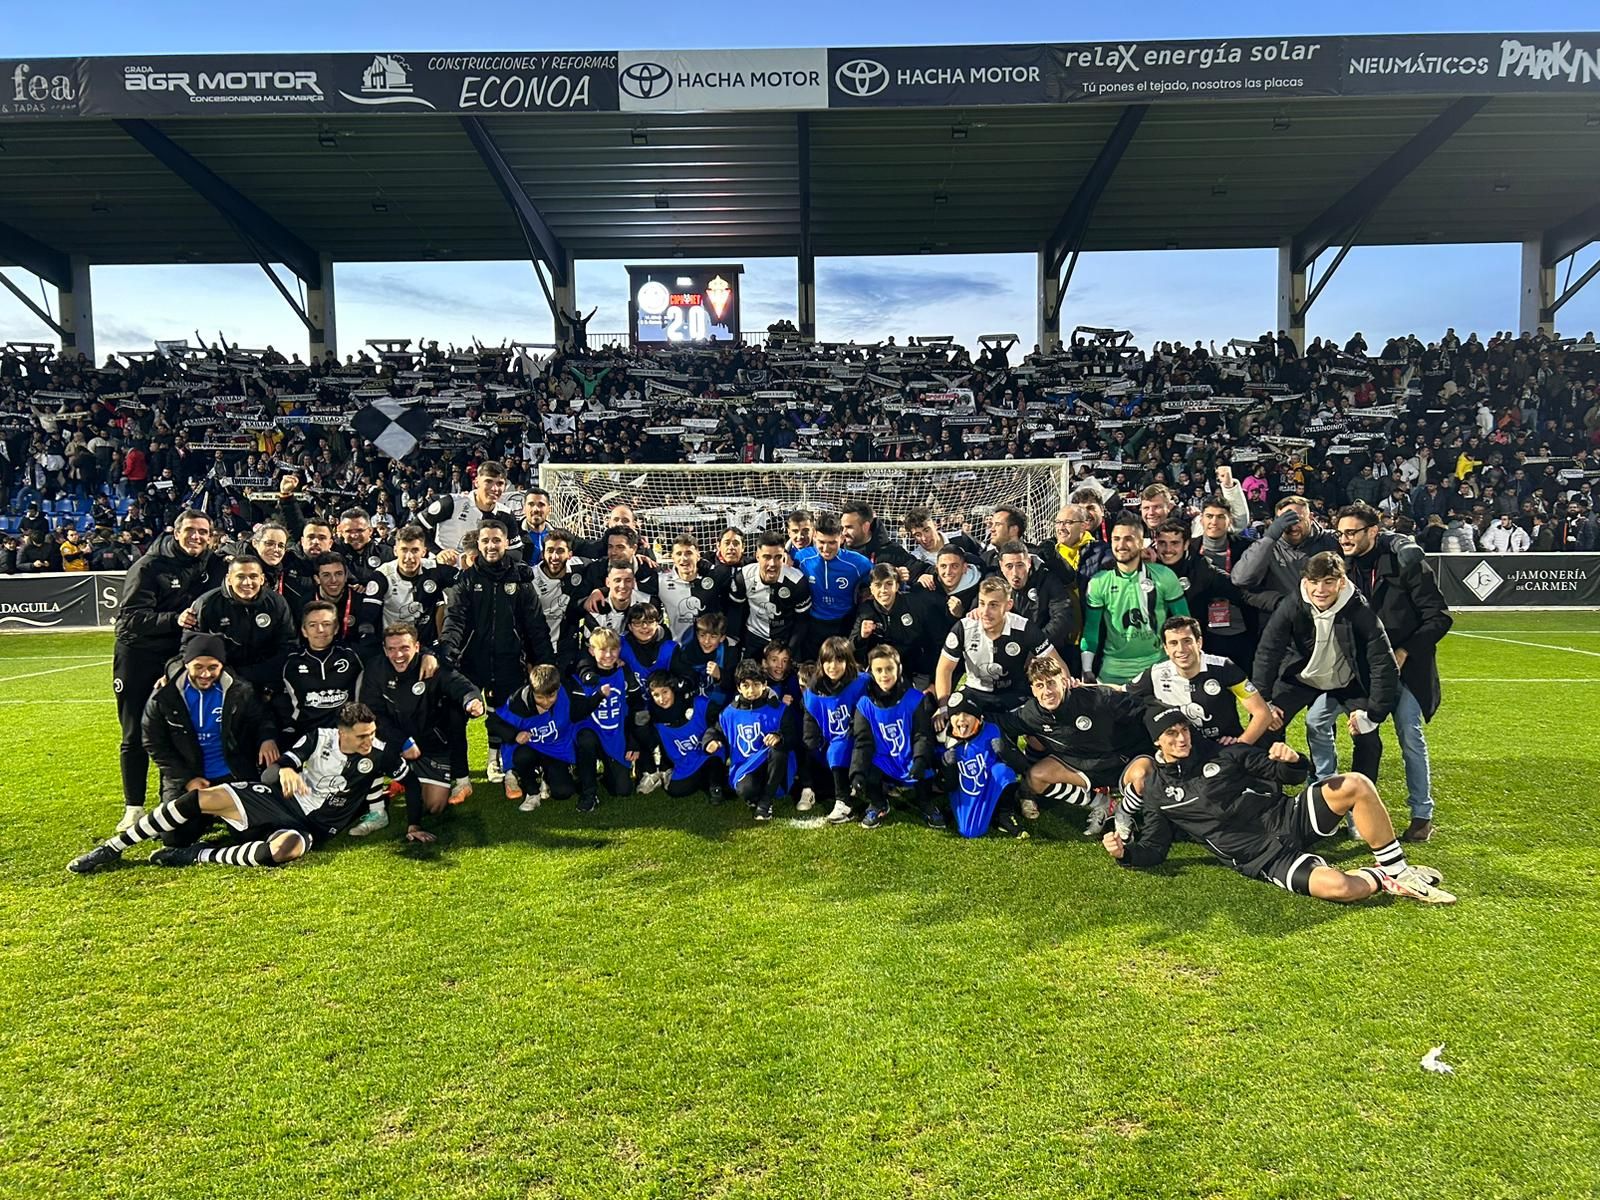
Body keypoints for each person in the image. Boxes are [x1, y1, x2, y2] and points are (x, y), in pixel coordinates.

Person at [1106, 707, 1455, 904]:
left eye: (1184, 730)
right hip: (1263, 857)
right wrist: (1126, 854)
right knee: (1342, 889)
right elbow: (1154, 846)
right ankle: (1383, 878)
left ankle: (1399, 870)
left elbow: (1286, 774)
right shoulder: (1156, 791)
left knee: (1356, 784)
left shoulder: (1224, 752)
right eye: (1171, 734)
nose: (1181, 738)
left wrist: (1291, 760)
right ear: (1156, 741)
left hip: (1289, 816)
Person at [69, 702, 405, 874]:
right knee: (201, 798)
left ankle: (198, 854)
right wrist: (286, 769)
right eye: (361, 735)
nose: (367, 740)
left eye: (370, 734)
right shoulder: (321, 737)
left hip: (307, 827)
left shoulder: (378, 754)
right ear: (342, 731)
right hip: (278, 802)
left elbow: (407, 777)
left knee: (286, 850)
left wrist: (406, 818)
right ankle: (113, 848)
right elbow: (288, 758)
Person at [1326, 503, 1452, 842]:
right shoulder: (1343, 568)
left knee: (1410, 736)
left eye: (1351, 532)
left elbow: (1440, 617)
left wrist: (1405, 650)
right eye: (1340, 533)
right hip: (1363, 673)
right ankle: (1349, 815)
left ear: (1373, 532)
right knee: (1356, 735)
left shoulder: (1407, 563)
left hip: (1409, 671)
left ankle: (1421, 816)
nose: (1344, 539)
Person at [111, 508, 223, 830]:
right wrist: (173, 619)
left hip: (177, 658)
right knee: (134, 731)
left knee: (178, 730)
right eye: (190, 530)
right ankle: (133, 807)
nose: (197, 537)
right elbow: (128, 620)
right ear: (176, 532)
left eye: (203, 532)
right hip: (138, 655)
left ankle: (170, 801)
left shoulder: (211, 564)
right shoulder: (148, 566)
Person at [1252, 552, 1399, 782]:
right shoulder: (1293, 604)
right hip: (1301, 678)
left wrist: (1373, 715)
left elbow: (1383, 664)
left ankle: (1360, 803)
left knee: (1367, 736)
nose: (1320, 590)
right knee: (1264, 724)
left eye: (1328, 582)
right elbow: (1268, 651)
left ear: (1341, 582)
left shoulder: (1359, 610)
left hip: (1348, 683)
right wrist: (1265, 702)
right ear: (1305, 581)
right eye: (1314, 582)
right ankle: (1268, 791)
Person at [437, 519, 555, 786]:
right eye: (486, 540)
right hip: (470, 662)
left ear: (505, 543)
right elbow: (454, 620)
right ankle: (461, 778)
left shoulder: (520, 579)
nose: (491, 545)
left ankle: (505, 768)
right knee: (455, 717)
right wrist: (447, 652)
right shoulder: (465, 580)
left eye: (496, 540)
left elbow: (534, 624)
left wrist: (546, 662)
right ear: (478, 544)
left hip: (509, 661)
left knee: (506, 717)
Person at [355, 624, 485, 841]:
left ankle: (408, 777)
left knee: (434, 806)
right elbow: (372, 712)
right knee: (364, 742)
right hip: (394, 739)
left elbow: (463, 686)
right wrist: (402, 741)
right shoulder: (376, 669)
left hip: (429, 743)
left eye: (404, 648)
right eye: (392, 649)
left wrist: (472, 701)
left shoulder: (432, 667)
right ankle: (376, 808)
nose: (398, 655)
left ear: (416, 647)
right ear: (385, 650)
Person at [998, 654, 1149, 830]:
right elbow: (998, 722)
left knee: (1143, 777)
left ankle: (1124, 814)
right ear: (1033, 690)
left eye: (1051, 683)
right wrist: (964, 713)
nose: (1047, 691)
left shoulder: (1092, 697)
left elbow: (1139, 708)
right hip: (1081, 767)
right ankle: (1103, 803)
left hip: (1120, 761)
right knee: (1036, 777)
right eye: (1040, 685)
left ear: (1063, 682)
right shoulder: (1031, 714)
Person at [141, 635, 278, 823]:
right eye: (198, 667)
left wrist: (267, 738)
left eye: (213, 667)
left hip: (231, 774)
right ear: (187, 664)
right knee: (176, 836)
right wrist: (187, 780)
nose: (205, 674)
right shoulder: (164, 695)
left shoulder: (240, 691)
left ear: (222, 665)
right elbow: (153, 741)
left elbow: (262, 718)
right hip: (187, 776)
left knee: (252, 830)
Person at [488, 663, 615, 813]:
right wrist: (514, 735)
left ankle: (549, 776)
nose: (546, 702)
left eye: (551, 696)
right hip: (532, 748)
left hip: (556, 750)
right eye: (540, 697)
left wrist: (599, 695)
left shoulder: (566, 691)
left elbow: (579, 712)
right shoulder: (518, 701)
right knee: (521, 756)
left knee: (563, 792)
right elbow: (492, 722)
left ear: (558, 688)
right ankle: (532, 793)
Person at [1125, 616, 1272, 744]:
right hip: (1181, 751)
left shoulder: (1224, 667)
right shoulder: (1155, 674)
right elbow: (1120, 691)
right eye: (1173, 643)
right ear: (1166, 648)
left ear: (1199, 642)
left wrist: (1240, 743)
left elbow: (1262, 713)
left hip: (1221, 746)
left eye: (1187, 641)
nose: (1181, 649)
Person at [1079, 513, 1189, 685]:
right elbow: (1091, 629)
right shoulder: (1099, 582)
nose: (1121, 545)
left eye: (1128, 539)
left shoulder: (1164, 576)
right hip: (1113, 670)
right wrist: (1086, 669)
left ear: (1140, 542)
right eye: (1116, 539)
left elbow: (1185, 623)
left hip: (1157, 667)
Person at [934, 575, 1056, 717]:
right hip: (974, 692)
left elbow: (1055, 661)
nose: (985, 612)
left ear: (1008, 605)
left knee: (1038, 725)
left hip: (1014, 693)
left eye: (993, 605)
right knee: (949, 727)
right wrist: (943, 708)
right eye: (982, 603)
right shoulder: (964, 627)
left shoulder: (1024, 627)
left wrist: (1066, 683)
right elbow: (945, 668)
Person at [850, 644, 939, 830]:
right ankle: (878, 804)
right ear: (871, 672)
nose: (884, 675)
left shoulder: (915, 698)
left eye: (889, 669)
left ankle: (926, 804)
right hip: (883, 761)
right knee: (866, 771)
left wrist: (920, 760)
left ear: (899, 669)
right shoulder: (864, 705)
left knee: (926, 769)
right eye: (879, 670)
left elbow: (922, 735)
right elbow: (862, 743)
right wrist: (857, 773)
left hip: (908, 758)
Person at [183, 554, 298, 695]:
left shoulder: (277, 603)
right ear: (229, 579)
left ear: (262, 579)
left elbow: (288, 645)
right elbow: (191, 650)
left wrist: (256, 676)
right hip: (221, 681)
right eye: (240, 576)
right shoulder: (206, 604)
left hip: (266, 680)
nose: (247, 582)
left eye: (253, 576)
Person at [1150, 518, 1255, 670]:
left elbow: (1240, 592)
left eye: (1175, 543)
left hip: (1190, 646)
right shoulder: (1147, 567)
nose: (1167, 550)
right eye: (1162, 543)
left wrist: (1275, 602)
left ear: (1186, 544)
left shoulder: (1201, 568)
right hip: (1154, 647)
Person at [705, 660, 797, 822]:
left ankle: (765, 802)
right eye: (745, 685)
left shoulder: (779, 709)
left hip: (775, 767)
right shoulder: (729, 713)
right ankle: (756, 796)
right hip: (745, 766)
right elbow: (715, 731)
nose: (751, 690)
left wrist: (779, 737)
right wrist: (711, 741)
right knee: (745, 791)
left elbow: (793, 737)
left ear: (765, 684)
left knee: (778, 750)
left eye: (756, 684)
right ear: (738, 687)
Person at [569, 627, 645, 811]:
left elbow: (638, 708)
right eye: (603, 650)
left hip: (615, 735)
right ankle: (588, 792)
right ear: (591, 651)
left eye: (614, 649)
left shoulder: (625, 673)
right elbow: (576, 714)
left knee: (623, 790)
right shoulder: (581, 677)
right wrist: (598, 697)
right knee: (585, 739)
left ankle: (606, 773)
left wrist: (633, 741)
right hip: (591, 733)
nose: (609, 655)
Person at [274, 600, 366, 746]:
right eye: (312, 625)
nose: (320, 630)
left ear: (336, 628)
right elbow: (280, 703)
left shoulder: (354, 657)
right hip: (307, 739)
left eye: (327, 624)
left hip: (348, 736)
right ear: (304, 631)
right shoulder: (290, 664)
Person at [802, 636, 871, 824]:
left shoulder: (862, 682)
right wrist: (812, 746)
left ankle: (844, 804)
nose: (833, 666)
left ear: (848, 661)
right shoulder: (814, 689)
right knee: (814, 754)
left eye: (839, 660)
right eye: (827, 661)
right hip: (829, 742)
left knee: (838, 748)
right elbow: (810, 723)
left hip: (861, 739)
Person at [941, 689, 1024, 838]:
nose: (961, 719)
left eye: (967, 713)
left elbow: (1021, 766)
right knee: (970, 831)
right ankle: (952, 809)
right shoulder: (944, 739)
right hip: (961, 789)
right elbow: (946, 785)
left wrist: (1006, 752)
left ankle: (1004, 814)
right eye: (955, 714)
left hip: (987, 785)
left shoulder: (992, 731)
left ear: (978, 717)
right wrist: (948, 768)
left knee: (1003, 772)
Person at [1230, 495, 1339, 606]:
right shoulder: (1266, 548)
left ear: (1311, 518)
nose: (1292, 527)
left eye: (1297, 520)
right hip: (1286, 619)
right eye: (1285, 521)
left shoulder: (1332, 540)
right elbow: (1241, 580)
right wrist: (1269, 538)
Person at [726, 531, 812, 663]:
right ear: (757, 556)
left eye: (778, 557)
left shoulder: (797, 581)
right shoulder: (743, 577)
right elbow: (735, 612)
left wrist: (789, 650)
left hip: (785, 639)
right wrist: (733, 643)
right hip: (754, 637)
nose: (772, 563)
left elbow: (802, 622)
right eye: (767, 557)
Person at [643, 670, 729, 802]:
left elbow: (722, 719)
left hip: (709, 754)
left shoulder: (697, 703)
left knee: (714, 766)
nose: (661, 699)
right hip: (686, 762)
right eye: (656, 695)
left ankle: (715, 783)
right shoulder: (655, 718)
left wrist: (714, 738)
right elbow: (650, 742)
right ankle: (710, 780)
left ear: (673, 689)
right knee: (675, 790)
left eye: (665, 692)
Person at [852, 562, 944, 684]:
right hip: (881, 670)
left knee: (922, 700)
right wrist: (861, 638)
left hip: (915, 670)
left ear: (897, 586)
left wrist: (932, 681)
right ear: (872, 589)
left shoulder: (913, 604)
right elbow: (852, 650)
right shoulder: (866, 611)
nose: (883, 590)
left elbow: (933, 642)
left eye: (889, 584)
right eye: (878, 585)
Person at [793, 515, 873, 655]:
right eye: (821, 542)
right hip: (813, 624)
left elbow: (880, 577)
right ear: (814, 537)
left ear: (841, 538)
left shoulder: (858, 563)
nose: (826, 548)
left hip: (844, 623)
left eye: (832, 543)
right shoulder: (802, 558)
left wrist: (898, 575)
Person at [417, 459, 522, 555]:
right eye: (488, 482)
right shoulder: (452, 503)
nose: (495, 488)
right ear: (476, 482)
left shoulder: (506, 513)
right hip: (445, 570)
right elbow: (416, 527)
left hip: (482, 572)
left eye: (500, 483)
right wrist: (438, 552)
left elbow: (516, 552)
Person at [372, 524, 455, 647]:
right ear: (395, 551)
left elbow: (466, 579)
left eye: (415, 550)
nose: (409, 557)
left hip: (427, 647)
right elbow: (369, 612)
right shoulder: (383, 574)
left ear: (423, 551)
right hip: (394, 647)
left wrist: (463, 559)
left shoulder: (434, 569)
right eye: (404, 550)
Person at [994, 539, 1079, 657]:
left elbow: (1062, 617)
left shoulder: (1047, 579)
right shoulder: (995, 584)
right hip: (1010, 650)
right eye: (1009, 566)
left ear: (1028, 562)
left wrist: (1037, 647)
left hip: (1046, 650)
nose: (1015, 573)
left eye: (1020, 565)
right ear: (1001, 566)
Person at [306, 553, 383, 659]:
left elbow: (370, 642)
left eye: (338, 574)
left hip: (354, 659)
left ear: (346, 576)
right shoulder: (305, 603)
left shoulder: (361, 600)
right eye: (326, 575)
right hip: (316, 659)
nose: (333, 580)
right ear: (317, 579)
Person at [656, 534, 723, 643]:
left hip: (709, 646)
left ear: (698, 556)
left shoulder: (713, 578)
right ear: (672, 557)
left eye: (689, 553)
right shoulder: (661, 582)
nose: (684, 558)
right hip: (679, 647)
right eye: (679, 554)